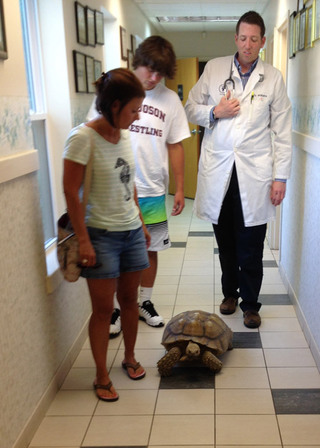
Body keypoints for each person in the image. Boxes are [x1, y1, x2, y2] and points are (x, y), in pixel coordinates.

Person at [185, 11, 292, 329]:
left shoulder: (272, 77)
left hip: (255, 175)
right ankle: (229, 294)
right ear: (235, 38)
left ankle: (251, 305)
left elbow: (283, 132)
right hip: (220, 172)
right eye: (242, 38)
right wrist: (214, 111)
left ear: (263, 41)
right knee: (227, 242)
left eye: (254, 39)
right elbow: (191, 106)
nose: (248, 44)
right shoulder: (215, 69)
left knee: (251, 245)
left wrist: (280, 177)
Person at [88, 36, 190, 336]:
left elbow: (175, 145)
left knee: (151, 248)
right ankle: (117, 309)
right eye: (149, 69)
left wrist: (181, 187)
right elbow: (92, 133)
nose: (154, 77)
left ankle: (144, 303)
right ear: (138, 62)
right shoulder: (116, 88)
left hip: (153, 190)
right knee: (116, 251)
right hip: (114, 192)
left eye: (160, 73)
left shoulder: (169, 100)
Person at [63, 68, 150, 402]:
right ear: (114, 106)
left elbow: (131, 185)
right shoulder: (82, 138)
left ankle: (129, 357)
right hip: (100, 235)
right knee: (102, 311)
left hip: (130, 231)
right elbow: (71, 192)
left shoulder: (125, 135)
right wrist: (83, 240)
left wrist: (140, 222)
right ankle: (101, 375)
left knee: (130, 300)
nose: (137, 115)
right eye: (133, 110)